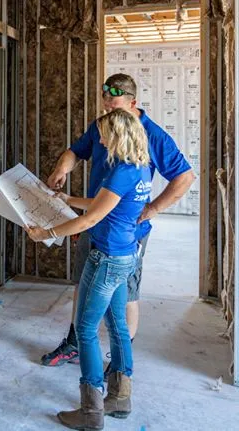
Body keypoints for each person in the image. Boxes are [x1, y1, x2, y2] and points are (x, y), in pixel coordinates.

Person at [40, 74, 195, 376]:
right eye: (105, 105)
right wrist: (63, 167)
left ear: (133, 103)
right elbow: (76, 151)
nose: (106, 114)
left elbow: (184, 177)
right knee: (82, 285)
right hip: (96, 226)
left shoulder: (153, 138)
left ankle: (119, 363)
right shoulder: (102, 127)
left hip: (124, 233)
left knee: (126, 295)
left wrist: (153, 208)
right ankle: (75, 345)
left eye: (114, 105)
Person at [26, 108, 152, 430]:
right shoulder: (139, 169)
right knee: (118, 326)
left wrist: (46, 233)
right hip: (126, 256)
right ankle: (120, 397)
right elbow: (103, 205)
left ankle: (91, 411)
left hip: (106, 257)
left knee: (84, 330)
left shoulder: (120, 172)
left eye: (104, 133)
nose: (100, 139)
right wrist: (68, 198)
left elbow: (91, 219)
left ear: (118, 135)